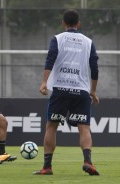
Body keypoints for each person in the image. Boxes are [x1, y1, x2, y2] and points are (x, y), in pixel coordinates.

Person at [34, 9, 100, 176]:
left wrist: (44, 82)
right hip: (81, 91)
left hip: (61, 89)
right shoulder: (88, 42)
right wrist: (93, 91)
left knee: (51, 127)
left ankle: (47, 167)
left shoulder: (57, 39)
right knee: (84, 127)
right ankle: (88, 162)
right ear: (78, 24)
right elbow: (95, 68)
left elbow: (50, 59)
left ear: (63, 23)